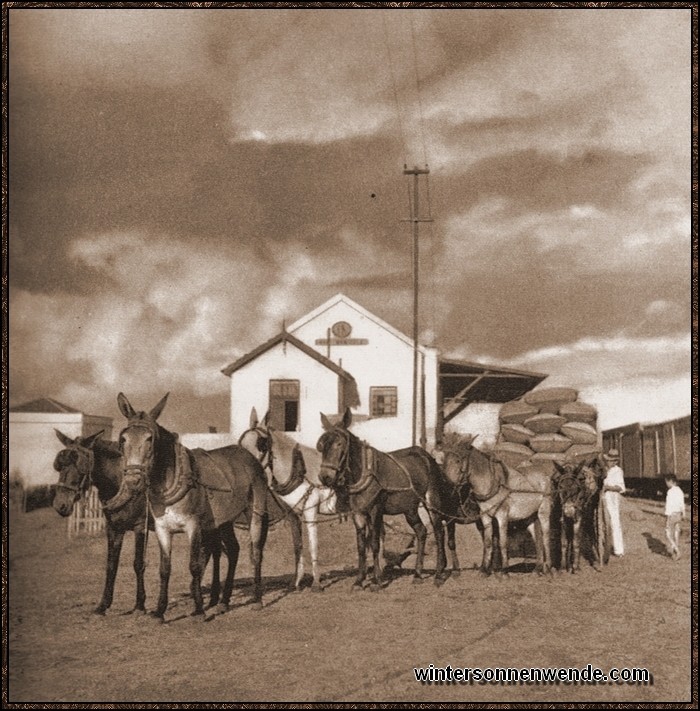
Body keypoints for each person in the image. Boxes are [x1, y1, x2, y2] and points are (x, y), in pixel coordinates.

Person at [602, 448, 626, 557]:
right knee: (603, 522)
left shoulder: (618, 471)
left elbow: (621, 488)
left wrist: (608, 487)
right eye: (608, 460)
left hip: (612, 497)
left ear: (616, 461)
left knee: (614, 522)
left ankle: (619, 550)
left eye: (611, 461)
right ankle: (604, 544)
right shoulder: (605, 470)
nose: (609, 462)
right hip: (603, 497)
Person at [664, 473, 685, 560]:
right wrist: (683, 513)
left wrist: (667, 516)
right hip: (679, 514)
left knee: (667, 533)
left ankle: (677, 550)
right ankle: (676, 548)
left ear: (670, 481)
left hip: (672, 514)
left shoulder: (670, 492)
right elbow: (682, 503)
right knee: (676, 531)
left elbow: (668, 505)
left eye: (666, 482)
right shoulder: (680, 490)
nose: (666, 484)